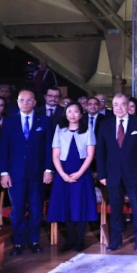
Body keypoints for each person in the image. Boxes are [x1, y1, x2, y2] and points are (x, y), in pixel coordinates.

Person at [0, 88, 53, 255]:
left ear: (35, 103)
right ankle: (18, 242)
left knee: (36, 209)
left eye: (29, 100)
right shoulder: (9, 122)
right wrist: (4, 172)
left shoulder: (44, 121)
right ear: (17, 102)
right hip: (15, 174)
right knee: (18, 209)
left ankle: (34, 241)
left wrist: (48, 169)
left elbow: (48, 147)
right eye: (22, 100)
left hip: (37, 173)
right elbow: (3, 149)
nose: (25, 103)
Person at [95, 92, 137, 252]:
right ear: (112, 106)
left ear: (128, 106)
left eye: (123, 104)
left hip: (134, 174)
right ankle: (116, 241)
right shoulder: (105, 124)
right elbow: (100, 151)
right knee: (115, 209)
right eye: (116, 105)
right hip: (112, 175)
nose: (119, 108)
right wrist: (101, 174)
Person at [48, 101, 97, 251]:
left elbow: (90, 155)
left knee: (80, 205)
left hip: (82, 172)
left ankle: (80, 240)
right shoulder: (60, 129)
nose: (72, 114)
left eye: (76, 111)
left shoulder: (87, 129)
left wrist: (79, 173)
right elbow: (55, 155)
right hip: (63, 172)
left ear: (81, 114)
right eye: (69, 111)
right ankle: (70, 240)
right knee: (67, 205)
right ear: (65, 114)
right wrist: (63, 174)